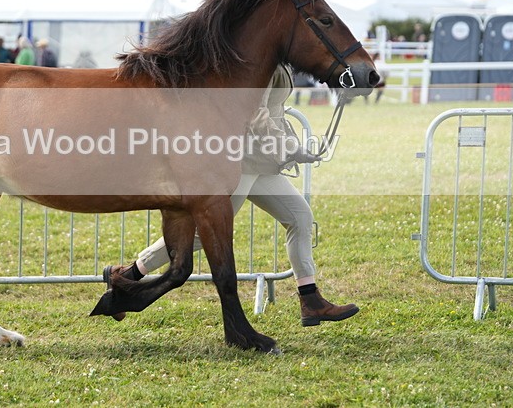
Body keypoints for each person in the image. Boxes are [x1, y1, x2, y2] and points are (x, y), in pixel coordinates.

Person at [103, 64, 359, 327]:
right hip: (243, 162)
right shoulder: (263, 60)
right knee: (206, 234)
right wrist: (292, 147)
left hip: (263, 162)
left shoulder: (280, 56)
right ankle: (128, 275)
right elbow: (255, 115)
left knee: (300, 217)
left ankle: (311, 300)